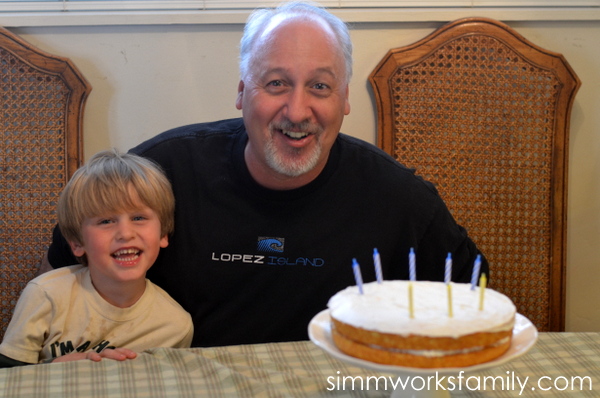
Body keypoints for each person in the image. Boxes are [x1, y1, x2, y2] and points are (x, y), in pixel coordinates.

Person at [42, 1, 488, 347]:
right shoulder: (161, 172)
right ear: (241, 92)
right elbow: (65, 265)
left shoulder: (398, 198)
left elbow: (474, 297)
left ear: (344, 99)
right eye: (276, 83)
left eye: (320, 86)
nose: (297, 111)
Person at [0, 149, 193, 368]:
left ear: (163, 234)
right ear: (77, 243)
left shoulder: (175, 325)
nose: (125, 233)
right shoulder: (45, 295)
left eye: (138, 217)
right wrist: (57, 366)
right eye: (106, 221)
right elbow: (7, 377)